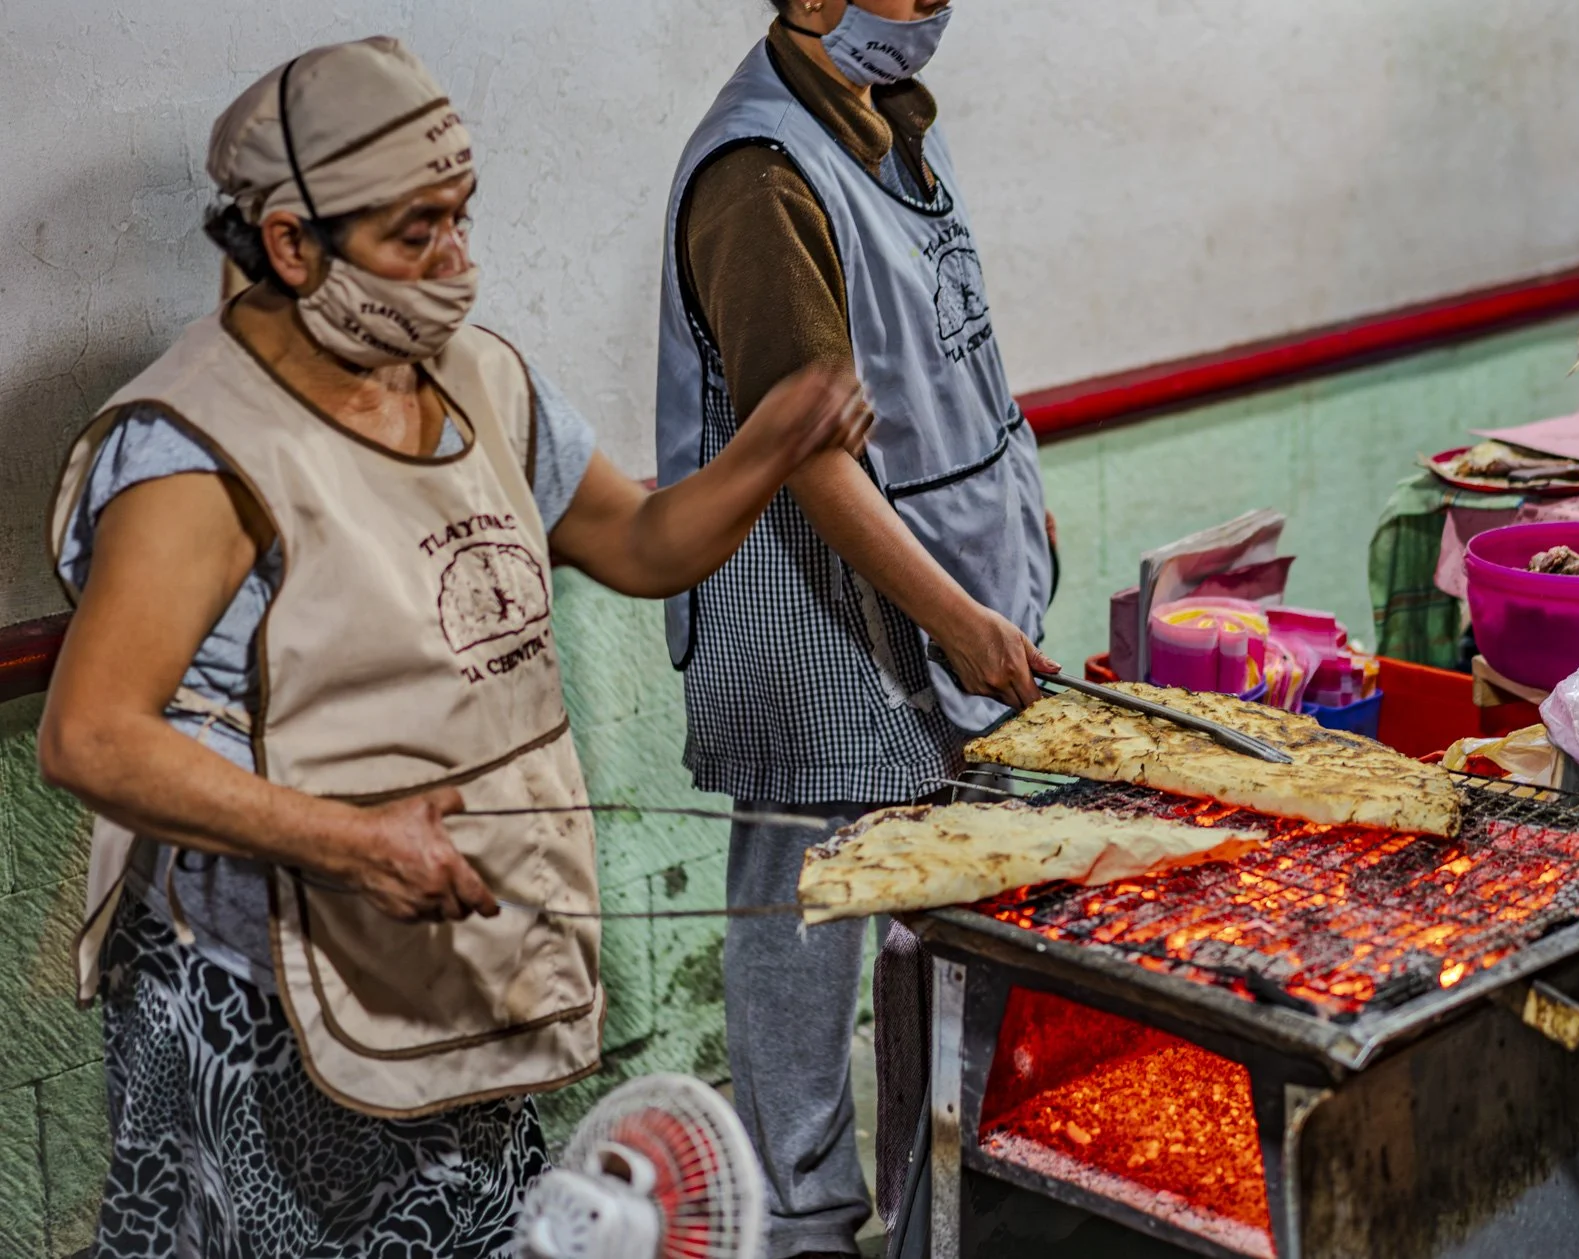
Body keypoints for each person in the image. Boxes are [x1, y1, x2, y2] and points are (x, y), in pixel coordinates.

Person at [38, 38, 869, 1255]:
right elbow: (90, 735)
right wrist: (349, 841)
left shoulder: (478, 380)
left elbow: (639, 541)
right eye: (414, 233)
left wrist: (772, 445)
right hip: (262, 983)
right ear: (290, 244)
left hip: (448, 950)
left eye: (460, 217)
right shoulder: (198, 452)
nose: (455, 260)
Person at [655, 2, 1056, 1253]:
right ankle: (802, 1223)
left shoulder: (889, 125)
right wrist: (955, 615)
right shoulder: (758, 174)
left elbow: (942, 361)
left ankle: (956, 1205)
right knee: (804, 929)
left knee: (958, 921)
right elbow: (806, 456)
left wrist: (1014, 521)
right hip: (811, 618)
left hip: (946, 592)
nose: (929, 10)